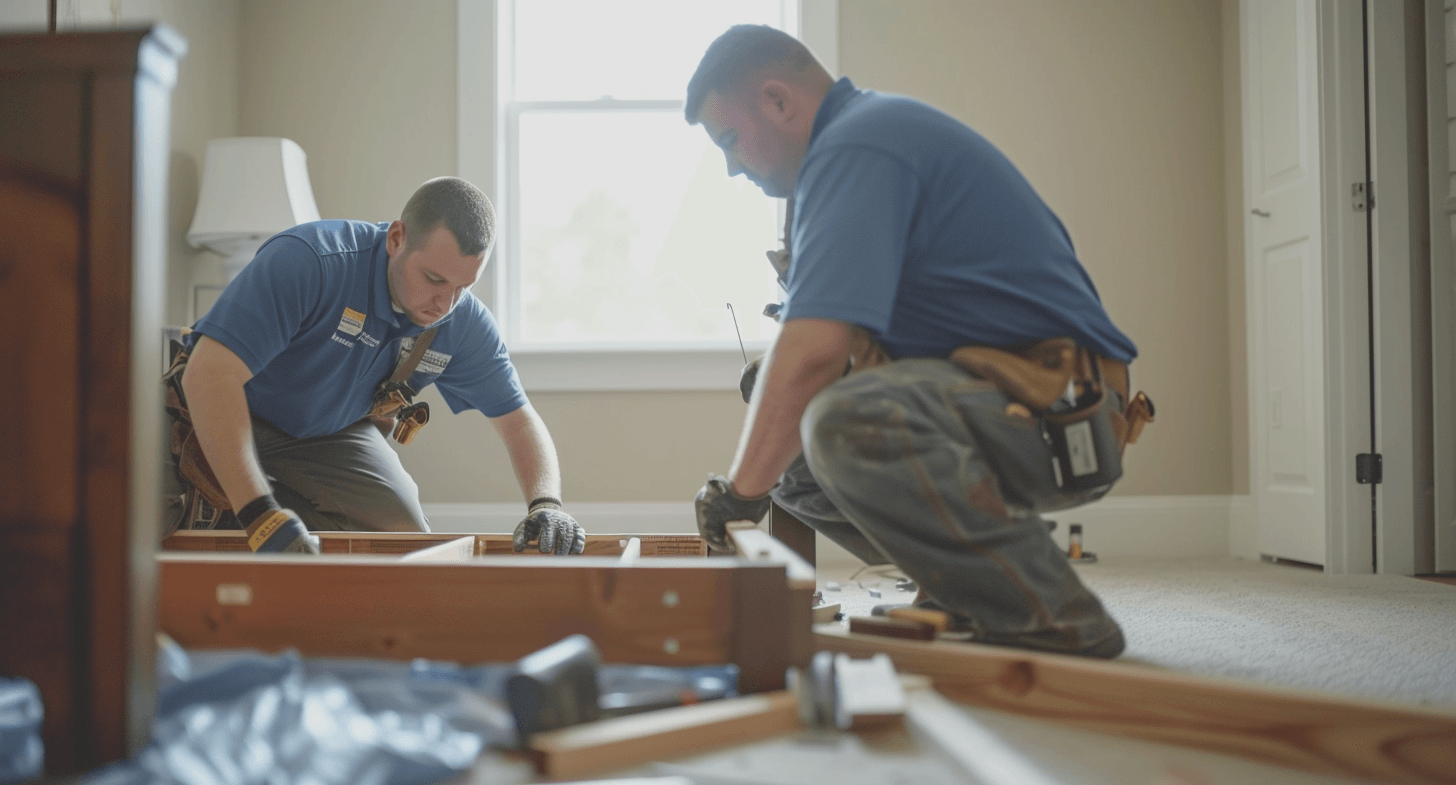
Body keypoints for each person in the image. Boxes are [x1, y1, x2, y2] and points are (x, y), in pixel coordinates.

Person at [686, 26, 1153, 658]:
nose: (732, 165)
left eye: (729, 138)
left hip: (1067, 418)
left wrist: (735, 496)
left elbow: (815, 354)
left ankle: (1050, 614)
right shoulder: (849, 151)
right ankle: (964, 587)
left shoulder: (859, 144)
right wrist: (754, 482)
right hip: (1006, 405)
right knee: (792, 459)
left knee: (846, 421)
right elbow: (808, 359)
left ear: (776, 101)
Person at [165, 177, 585, 556]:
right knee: (149, 523)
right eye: (435, 279)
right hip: (225, 407)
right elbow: (209, 374)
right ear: (397, 238)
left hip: (325, 433)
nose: (445, 304)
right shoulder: (312, 261)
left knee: (400, 535)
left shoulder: (462, 321)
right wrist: (259, 514)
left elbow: (519, 421)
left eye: (463, 287)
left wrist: (546, 504)